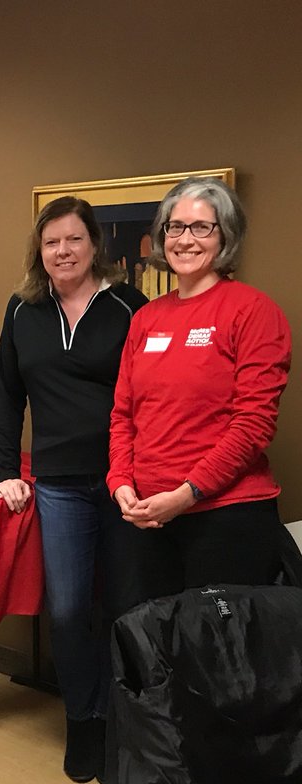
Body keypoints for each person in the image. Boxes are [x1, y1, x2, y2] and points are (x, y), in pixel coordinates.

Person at [0, 196, 147, 784]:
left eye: (74, 240)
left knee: (124, 606)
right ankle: (83, 719)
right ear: (40, 249)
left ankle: (121, 727)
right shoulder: (21, 310)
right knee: (69, 607)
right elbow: (9, 396)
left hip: (124, 481)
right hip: (57, 483)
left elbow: (152, 399)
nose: (63, 251)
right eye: (52, 241)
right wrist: (6, 469)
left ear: (93, 245)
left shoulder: (130, 306)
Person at [107, 177, 291, 599]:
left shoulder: (253, 311)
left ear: (225, 235)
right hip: (146, 516)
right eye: (175, 227)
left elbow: (253, 425)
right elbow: (123, 415)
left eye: (201, 227)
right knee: (155, 653)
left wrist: (186, 494)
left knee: (219, 656)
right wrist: (121, 484)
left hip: (225, 518)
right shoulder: (146, 318)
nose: (185, 239)